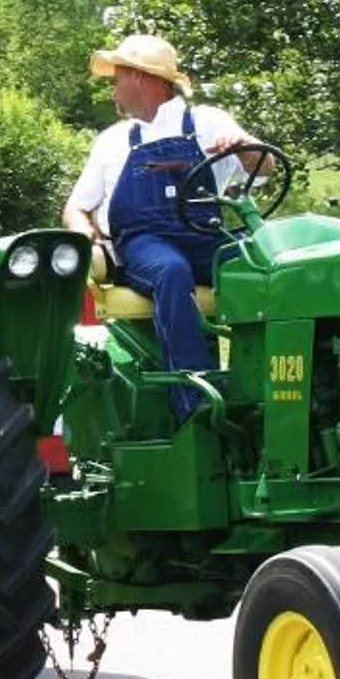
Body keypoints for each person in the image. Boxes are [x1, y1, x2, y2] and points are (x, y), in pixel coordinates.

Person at [62, 33, 248, 418]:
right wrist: (86, 239)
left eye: (117, 77)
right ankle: (196, 402)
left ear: (140, 77)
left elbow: (264, 167)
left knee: (260, 261)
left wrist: (241, 145)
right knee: (171, 271)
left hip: (203, 236)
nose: (113, 87)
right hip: (144, 245)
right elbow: (76, 209)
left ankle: (260, 386)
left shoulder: (208, 122)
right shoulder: (113, 141)